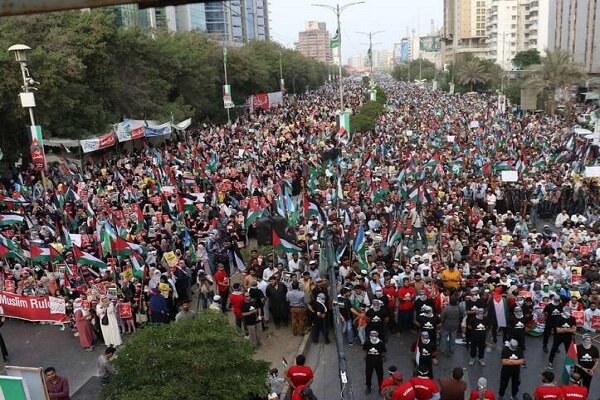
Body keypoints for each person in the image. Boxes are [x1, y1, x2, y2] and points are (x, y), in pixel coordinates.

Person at [363, 330, 386, 394]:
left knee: (380, 375)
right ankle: (368, 386)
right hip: (369, 361)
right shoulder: (367, 342)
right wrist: (366, 356)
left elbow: (383, 352)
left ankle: (380, 387)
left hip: (378, 362)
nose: (374, 337)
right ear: (370, 336)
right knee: (368, 374)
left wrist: (382, 357)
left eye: (375, 336)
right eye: (372, 336)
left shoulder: (381, 343)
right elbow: (364, 349)